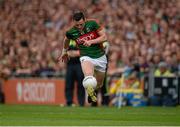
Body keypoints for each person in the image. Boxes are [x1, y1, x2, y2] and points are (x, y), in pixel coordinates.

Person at [58, 10, 108, 104]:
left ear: (84, 20)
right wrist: (64, 51)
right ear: (73, 22)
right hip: (86, 56)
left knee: (99, 84)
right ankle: (90, 93)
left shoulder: (93, 23)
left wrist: (91, 41)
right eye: (77, 25)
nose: (79, 27)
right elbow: (66, 39)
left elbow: (104, 37)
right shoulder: (71, 32)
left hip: (100, 56)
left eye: (81, 24)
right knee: (88, 76)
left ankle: (92, 90)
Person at [65, 39, 85, 106]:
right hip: (70, 64)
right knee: (69, 83)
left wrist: (74, 53)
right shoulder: (69, 39)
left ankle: (81, 102)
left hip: (79, 64)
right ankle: (69, 101)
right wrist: (75, 53)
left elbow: (83, 51)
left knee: (80, 84)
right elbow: (65, 51)